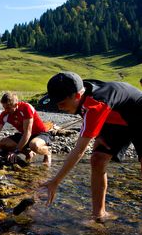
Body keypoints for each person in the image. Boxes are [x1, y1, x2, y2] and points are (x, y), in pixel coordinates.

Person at [41, 71, 142, 222]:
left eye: (61, 103)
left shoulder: (95, 105)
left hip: (139, 115)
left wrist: (55, 181)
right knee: (97, 159)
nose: (59, 107)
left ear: (76, 96)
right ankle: (99, 215)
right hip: (115, 118)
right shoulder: (80, 91)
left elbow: (79, 150)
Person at [0, 92, 52, 165]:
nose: (5, 110)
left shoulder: (26, 108)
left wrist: (16, 151)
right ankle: (28, 152)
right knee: (2, 144)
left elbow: (27, 133)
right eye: (4, 107)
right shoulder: (5, 114)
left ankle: (48, 152)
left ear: (16, 105)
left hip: (40, 134)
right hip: (25, 135)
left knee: (34, 145)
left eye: (8, 108)